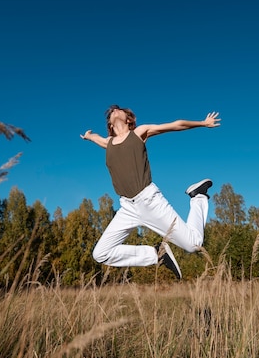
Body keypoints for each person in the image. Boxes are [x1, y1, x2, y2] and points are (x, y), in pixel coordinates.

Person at [80, 105, 221, 279]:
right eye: (111, 112)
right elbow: (96, 138)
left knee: (193, 245)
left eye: (119, 109)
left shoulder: (139, 133)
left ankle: (198, 196)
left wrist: (203, 123)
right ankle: (156, 254)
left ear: (129, 119)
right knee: (100, 253)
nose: (114, 110)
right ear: (110, 124)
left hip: (149, 201)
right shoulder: (107, 143)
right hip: (127, 208)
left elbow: (175, 125)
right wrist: (88, 136)